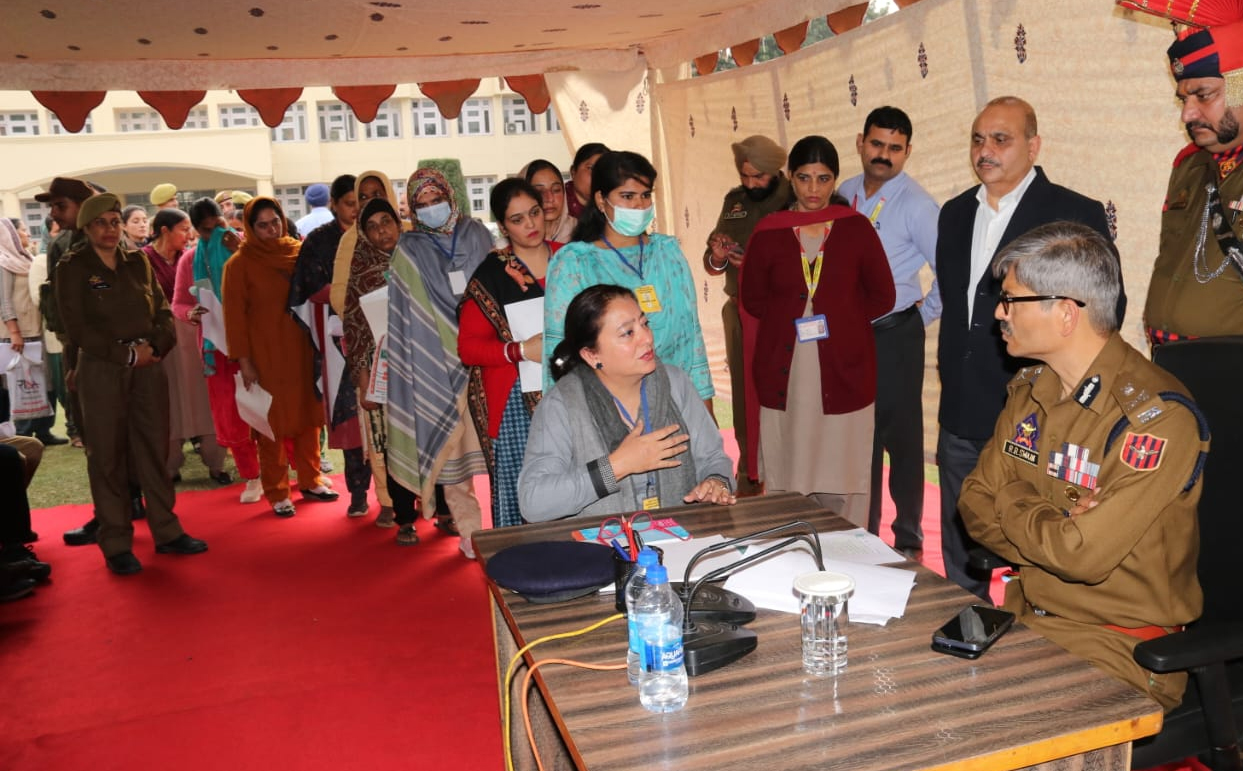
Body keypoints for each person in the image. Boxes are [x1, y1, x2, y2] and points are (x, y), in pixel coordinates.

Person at [960, 221, 1205, 712]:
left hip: (1118, 648)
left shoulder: (1157, 419)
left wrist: (1011, 496)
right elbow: (972, 504)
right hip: (1028, 621)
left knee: (989, 727)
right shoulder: (1031, 390)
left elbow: (1080, 558)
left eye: (1011, 300)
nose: (999, 312)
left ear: (1066, 314)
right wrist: (1056, 530)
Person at [936, 96, 1122, 599]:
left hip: (1040, 411)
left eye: (1001, 139)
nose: (986, 150)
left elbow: (1104, 311)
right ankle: (961, 627)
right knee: (961, 546)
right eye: (978, 139)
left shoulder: (1073, 212)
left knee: (1036, 543)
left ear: (1033, 146)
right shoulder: (955, 214)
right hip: (961, 408)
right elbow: (958, 309)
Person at [740, 135, 895, 526]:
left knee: (843, 470)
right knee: (790, 466)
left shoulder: (856, 229)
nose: (813, 189)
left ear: (835, 180)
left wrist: (844, 322)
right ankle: (788, 543)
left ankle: (847, 546)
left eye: (823, 178)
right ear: (790, 178)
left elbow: (883, 295)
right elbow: (753, 300)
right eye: (804, 178)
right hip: (787, 372)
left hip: (844, 368)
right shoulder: (769, 231)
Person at [55, 193, 208, 574]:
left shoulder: (137, 261)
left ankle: (167, 531)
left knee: (154, 449)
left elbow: (162, 310)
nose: (109, 230)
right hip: (102, 369)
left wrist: (155, 347)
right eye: (100, 223)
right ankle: (116, 542)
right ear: (87, 228)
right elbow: (76, 327)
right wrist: (126, 355)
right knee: (107, 456)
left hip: (148, 366)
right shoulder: (73, 267)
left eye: (114, 222)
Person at [520, 284, 734, 521]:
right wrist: (616, 466)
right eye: (628, 333)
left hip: (679, 536)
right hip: (597, 542)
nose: (647, 338)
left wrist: (716, 482)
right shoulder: (562, 403)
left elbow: (713, 459)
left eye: (644, 324)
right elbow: (533, 501)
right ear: (592, 355)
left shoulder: (675, 383)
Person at [837, 106, 941, 559]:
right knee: (859, 433)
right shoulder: (843, 193)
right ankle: (864, 530)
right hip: (848, 335)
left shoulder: (918, 205)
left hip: (895, 333)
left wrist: (921, 317)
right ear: (861, 143)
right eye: (877, 144)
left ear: (907, 152)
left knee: (901, 438)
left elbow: (948, 272)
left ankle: (909, 536)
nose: (884, 155)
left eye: (895, 148)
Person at [543, 151, 714, 413]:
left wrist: (704, 407)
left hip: (677, 400)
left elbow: (692, 338)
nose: (639, 206)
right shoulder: (575, 264)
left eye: (645, 195)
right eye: (627, 196)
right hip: (608, 408)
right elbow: (559, 350)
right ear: (601, 199)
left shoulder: (668, 253)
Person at [1122, 5, 1243, 343]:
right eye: (1184, 99)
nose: (1188, 114)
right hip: (1170, 361)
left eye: (1203, 95)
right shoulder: (1188, 165)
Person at [387, 168, 491, 555]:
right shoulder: (409, 250)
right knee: (452, 449)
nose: (432, 209)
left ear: (451, 196)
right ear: (413, 211)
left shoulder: (478, 235)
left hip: (488, 357)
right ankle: (470, 532)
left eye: (437, 200)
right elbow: (404, 316)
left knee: (500, 448)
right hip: (439, 364)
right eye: (423, 204)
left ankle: (508, 526)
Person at [222, 197, 337, 517]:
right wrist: (245, 362)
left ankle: (311, 480)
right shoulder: (239, 265)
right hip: (265, 355)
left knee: (308, 417)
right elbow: (234, 318)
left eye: (275, 222)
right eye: (263, 225)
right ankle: (277, 491)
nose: (272, 230)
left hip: (303, 348)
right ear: (250, 228)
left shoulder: (299, 252)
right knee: (271, 423)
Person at [459, 178, 553, 528]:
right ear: (503, 227)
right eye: (517, 219)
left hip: (576, 390)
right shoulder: (493, 274)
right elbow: (468, 348)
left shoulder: (570, 258)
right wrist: (521, 350)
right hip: (515, 401)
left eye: (534, 212)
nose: (530, 224)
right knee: (522, 500)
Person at [703, 134, 792, 495]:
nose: (751, 184)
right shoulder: (734, 201)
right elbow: (711, 262)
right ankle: (749, 471)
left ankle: (786, 475)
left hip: (782, 313)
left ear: (775, 171)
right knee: (744, 394)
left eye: (759, 176)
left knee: (786, 393)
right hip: (739, 311)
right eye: (745, 175)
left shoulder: (794, 199)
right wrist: (718, 255)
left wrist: (756, 264)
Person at [289, 174, 375, 518]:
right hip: (340, 339)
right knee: (350, 416)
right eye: (350, 204)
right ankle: (358, 492)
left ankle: (395, 497)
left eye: (360, 202)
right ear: (334, 205)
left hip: (382, 333)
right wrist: (353, 294)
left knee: (386, 414)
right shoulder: (320, 241)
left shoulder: (378, 230)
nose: (357, 210)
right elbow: (309, 289)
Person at [172, 197, 263, 504]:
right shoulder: (190, 260)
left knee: (266, 408)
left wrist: (241, 250)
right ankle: (252, 476)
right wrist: (191, 313)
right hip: (217, 351)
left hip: (256, 344)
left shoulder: (247, 248)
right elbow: (179, 302)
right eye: (207, 231)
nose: (216, 235)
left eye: (219, 226)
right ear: (196, 231)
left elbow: (267, 285)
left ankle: (281, 469)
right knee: (232, 414)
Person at [142, 208, 230, 484]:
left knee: (205, 402)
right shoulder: (145, 259)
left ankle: (215, 463)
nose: (189, 234)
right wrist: (183, 313)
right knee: (172, 404)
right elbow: (173, 302)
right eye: (184, 229)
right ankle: (170, 465)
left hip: (202, 342)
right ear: (164, 230)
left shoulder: (196, 256)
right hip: (167, 343)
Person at [342, 199, 402, 533]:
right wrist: (364, 379)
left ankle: (428, 500)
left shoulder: (416, 260)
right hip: (376, 366)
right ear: (365, 235)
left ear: (398, 223)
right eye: (373, 227)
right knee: (382, 440)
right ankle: (389, 501)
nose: (382, 231)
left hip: (417, 362)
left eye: (386, 222)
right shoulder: (360, 271)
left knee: (415, 435)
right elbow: (353, 328)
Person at [2, 218, 67, 445]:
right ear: (9, 235)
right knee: (22, 382)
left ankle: (43, 430)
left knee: (44, 381)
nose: (27, 234)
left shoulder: (26, 259)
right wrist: (14, 332)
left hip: (36, 329)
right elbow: (4, 301)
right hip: (17, 334)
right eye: (22, 230)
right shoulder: (3, 262)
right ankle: (24, 432)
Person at [524, 159, 576, 243]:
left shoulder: (581, 233)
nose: (550, 198)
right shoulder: (513, 243)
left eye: (556, 190)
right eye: (539, 192)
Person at [566, 143, 610, 219]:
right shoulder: (554, 201)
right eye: (591, 168)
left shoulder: (612, 205)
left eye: (604, 170)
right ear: (573, 172)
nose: (597, 175)